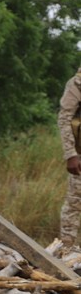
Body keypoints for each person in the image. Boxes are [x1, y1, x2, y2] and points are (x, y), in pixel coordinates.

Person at [58, 65, 81, 251]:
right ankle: (66, 252)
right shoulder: (77, 83)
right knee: (75, 203)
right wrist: (71, 154)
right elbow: (64, 118)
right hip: (80, 156)